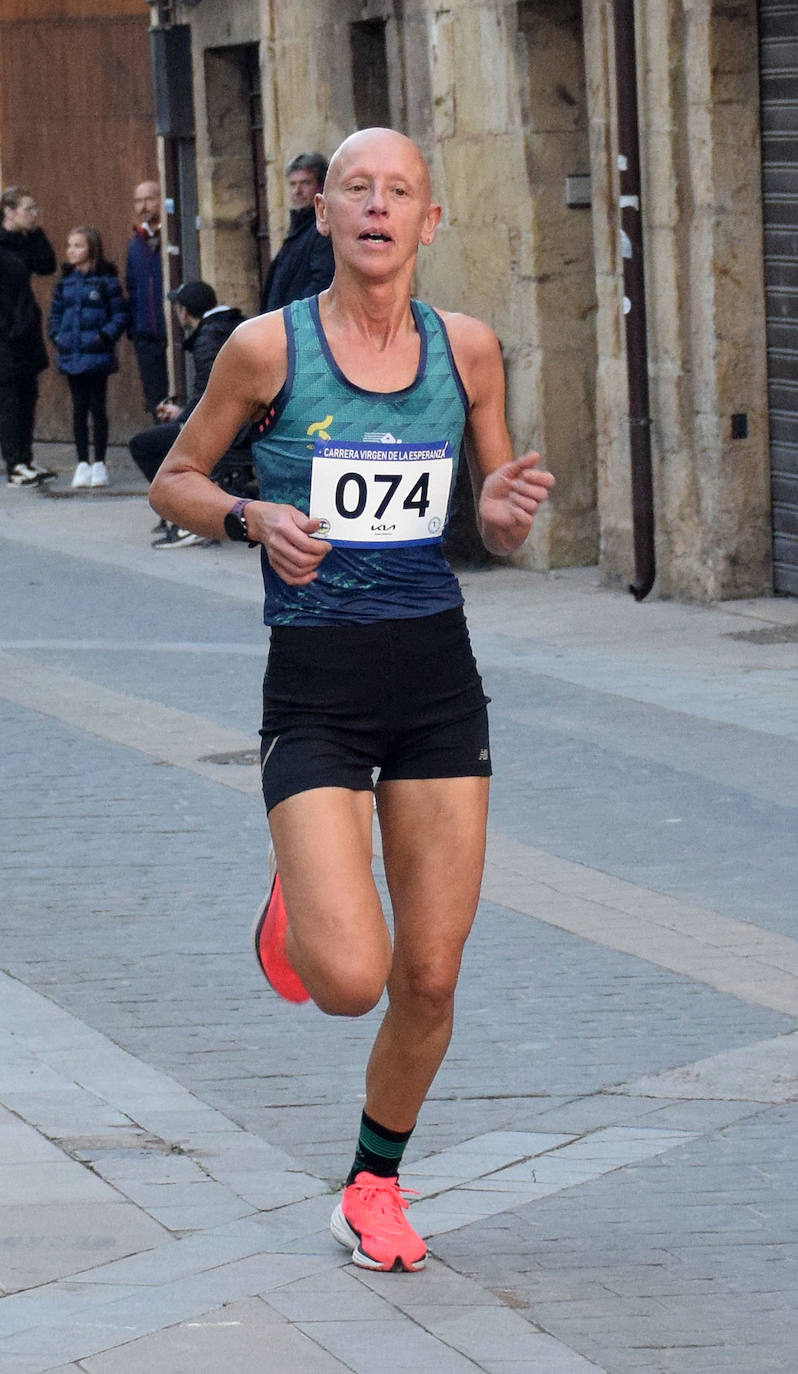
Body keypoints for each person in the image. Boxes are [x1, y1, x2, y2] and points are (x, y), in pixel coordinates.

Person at [150, 127, 554, 1274]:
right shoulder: (267, 351)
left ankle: (373, 1183)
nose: (377, 207)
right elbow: (176, 475)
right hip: (317, 694)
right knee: (350, 982)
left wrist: (510, 521)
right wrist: (252, 517)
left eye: (400, 192)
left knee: (429, 976)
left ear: (430, 221)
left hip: (436, 687)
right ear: (322, 213)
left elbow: (492, 510)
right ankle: (302, 896)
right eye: (356, 189)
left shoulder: (467, 350)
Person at [130, 279, 245, 547]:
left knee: (143, 445)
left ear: (184, 311)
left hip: (228, 429)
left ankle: (184, 516)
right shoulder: (227, 327)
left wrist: (183, 419)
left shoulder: (209, 338)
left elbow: (211, 393)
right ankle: (178, 514)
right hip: (239, 424)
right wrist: (182, 413)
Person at [48, 226, 128, 488]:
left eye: (78, 245)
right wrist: (58, 337)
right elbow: (56, 315)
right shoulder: (65, 283)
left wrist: (103, 337)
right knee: (79, 409)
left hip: (97, 355)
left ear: (91, 248)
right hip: (72, 355)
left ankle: (100, 463)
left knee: (98, 408)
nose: (71, 250)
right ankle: (82, 462)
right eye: (69, 245)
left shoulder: (106, 282)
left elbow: (119, 315)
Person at [0, 186, 57, 485]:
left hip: (26, 332)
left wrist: (35, 233)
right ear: (9, 211)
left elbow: (47, 265)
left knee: (27, 396)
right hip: (7, 335)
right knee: (10, 400)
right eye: (28, 208)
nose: (34, 214)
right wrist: (8, 326)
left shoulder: (25, 243)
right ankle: (13, 464)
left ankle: (25, 458)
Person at [259, 152, 335, 313]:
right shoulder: (299, 230)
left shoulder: (324, 229)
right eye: (293, 184)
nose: (297, 191)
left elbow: (322, 283)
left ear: (321, 186)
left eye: (305, 183)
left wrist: (288, 318)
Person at [126, 180, 168, 419]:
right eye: (138, 200)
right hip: (146, 334)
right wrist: (136, 327)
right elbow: (131, 287)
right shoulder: (135, 243)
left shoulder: (171, 237)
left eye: (150, 199)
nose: (144, 206)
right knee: (155, 399)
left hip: (171, 331)